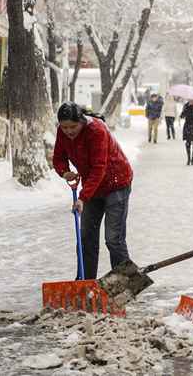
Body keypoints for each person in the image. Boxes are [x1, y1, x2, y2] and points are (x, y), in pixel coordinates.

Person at [52, 102, 134, 280]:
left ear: (81, 121)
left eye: (73, 126)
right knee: (86, 236)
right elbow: (58, 156)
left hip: (116, 183)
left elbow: (99, 168)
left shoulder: (96, 130)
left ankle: (125, 285)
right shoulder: (62, 132)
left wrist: (82, 197)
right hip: (93, 186)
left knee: (113, 238)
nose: (69, 131)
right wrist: (64, 171)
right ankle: (85, 282)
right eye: (64, 127)